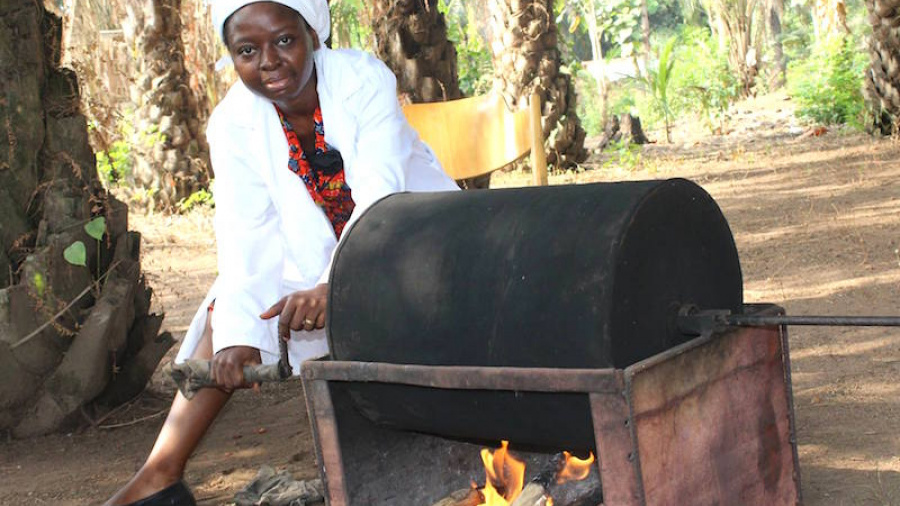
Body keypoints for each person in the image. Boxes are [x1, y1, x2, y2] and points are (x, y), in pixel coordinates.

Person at [104, 1, 459, 504]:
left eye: (284, 41)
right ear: (232, 58)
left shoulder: (361, 79)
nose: (269, 61)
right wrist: (239, 337)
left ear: (312, 34)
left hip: (413, 242)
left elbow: (382, 191)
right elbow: (247, 231)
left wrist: (335, 285)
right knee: (225, 311)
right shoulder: (231, 123)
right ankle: (161, 475)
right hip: (319, 258)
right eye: (247, 50)